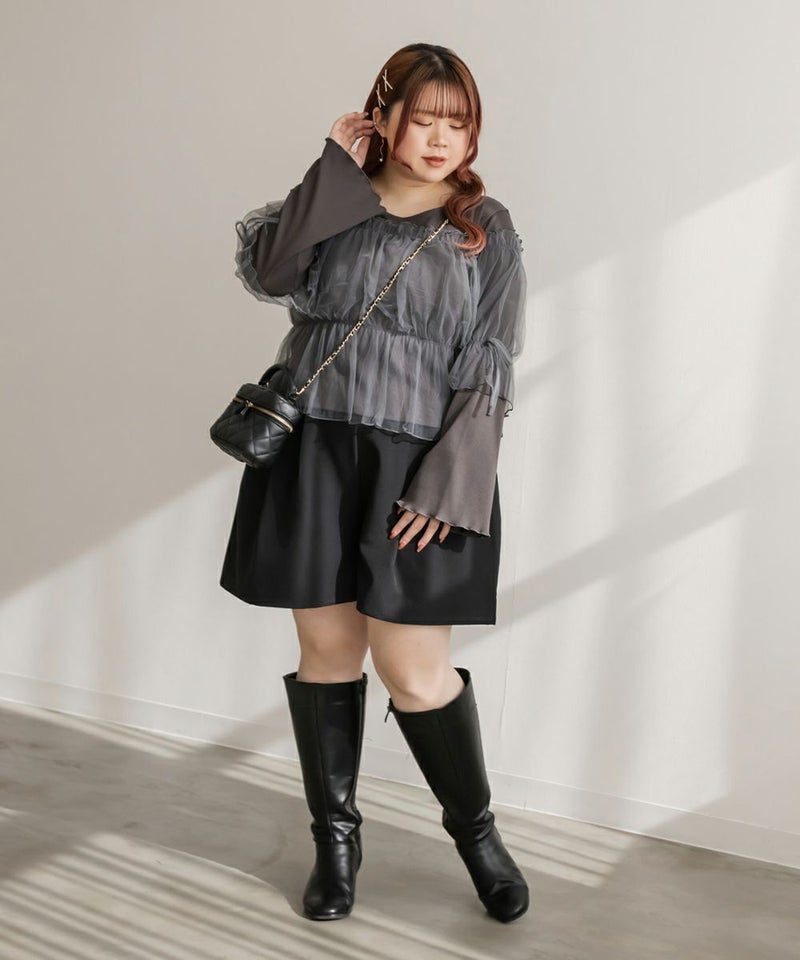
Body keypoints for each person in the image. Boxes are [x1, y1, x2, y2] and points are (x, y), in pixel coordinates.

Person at [219, 42, 529, 924]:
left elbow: (490, 362)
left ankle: (478, 837)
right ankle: (336, 845)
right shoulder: (337, 205)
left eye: (457, 123)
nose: (439, 140)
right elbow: (270, 272)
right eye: (422, 119)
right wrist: (333, 166)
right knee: (328, 655)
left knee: (413, 669)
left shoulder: (485, 228)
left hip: (420, 467)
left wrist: (450, 485)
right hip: (314, 451)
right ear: (382, 117)